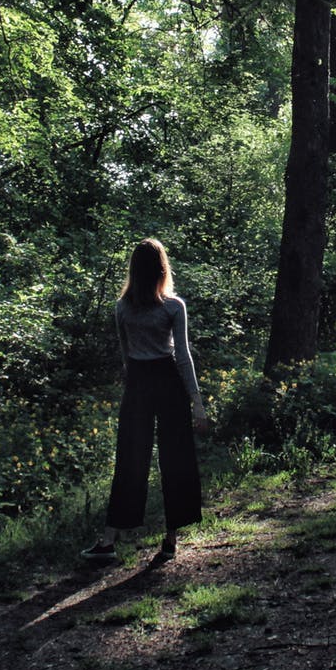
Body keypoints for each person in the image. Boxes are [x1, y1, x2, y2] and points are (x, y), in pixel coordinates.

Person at [83, 238, 210, 564]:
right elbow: (182, 357)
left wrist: (140, 384)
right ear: (162, 268)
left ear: (134, 270)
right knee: (174, 457)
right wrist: (196, 401)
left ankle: (110, 539)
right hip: (165, 381)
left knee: (131, 458)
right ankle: (169, 539)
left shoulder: (122, 308)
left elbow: (126, 357)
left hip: (139, 382)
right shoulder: (172, 306)